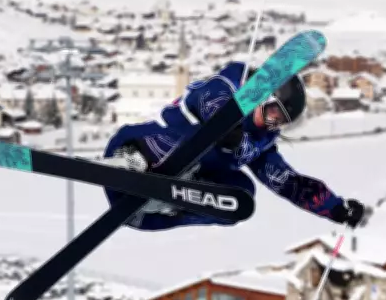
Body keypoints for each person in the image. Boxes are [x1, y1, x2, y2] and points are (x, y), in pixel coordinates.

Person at [103, 61, 369, 231]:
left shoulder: (259, 142)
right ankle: (132, 163)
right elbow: (210, 100)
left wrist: (335, 208)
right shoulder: (229, 84)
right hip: (143, 146)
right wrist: (229, 126)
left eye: (281, 122)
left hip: (152, 211)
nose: (273, 124)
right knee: (195, 142)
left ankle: (166, 205)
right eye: (273, 114)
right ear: (263, 97)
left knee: (241, 195)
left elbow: (288, 182)